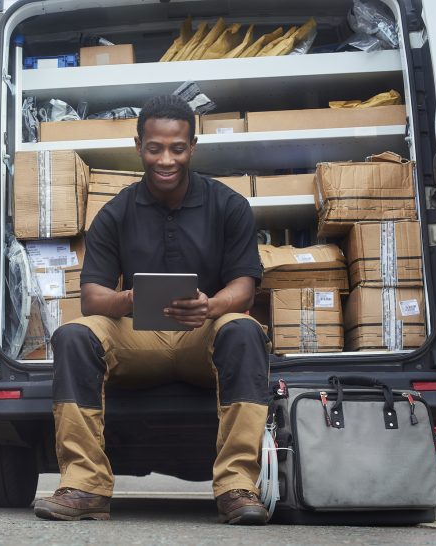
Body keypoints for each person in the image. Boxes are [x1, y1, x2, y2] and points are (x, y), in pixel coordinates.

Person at [33, 94, 270, 525]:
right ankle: (85, 486)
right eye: (155, 148)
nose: (166, 159)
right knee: (74, 334)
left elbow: (245, 287)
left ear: (192, 147)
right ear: (139, 144)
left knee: (244, 328)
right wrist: (131, 300)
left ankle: (238, 486)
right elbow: (92, 297)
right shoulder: (116, 211)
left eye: (177, 148)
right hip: (137, 337)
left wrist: (212, 305)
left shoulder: (228, 205)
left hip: (204, 334)